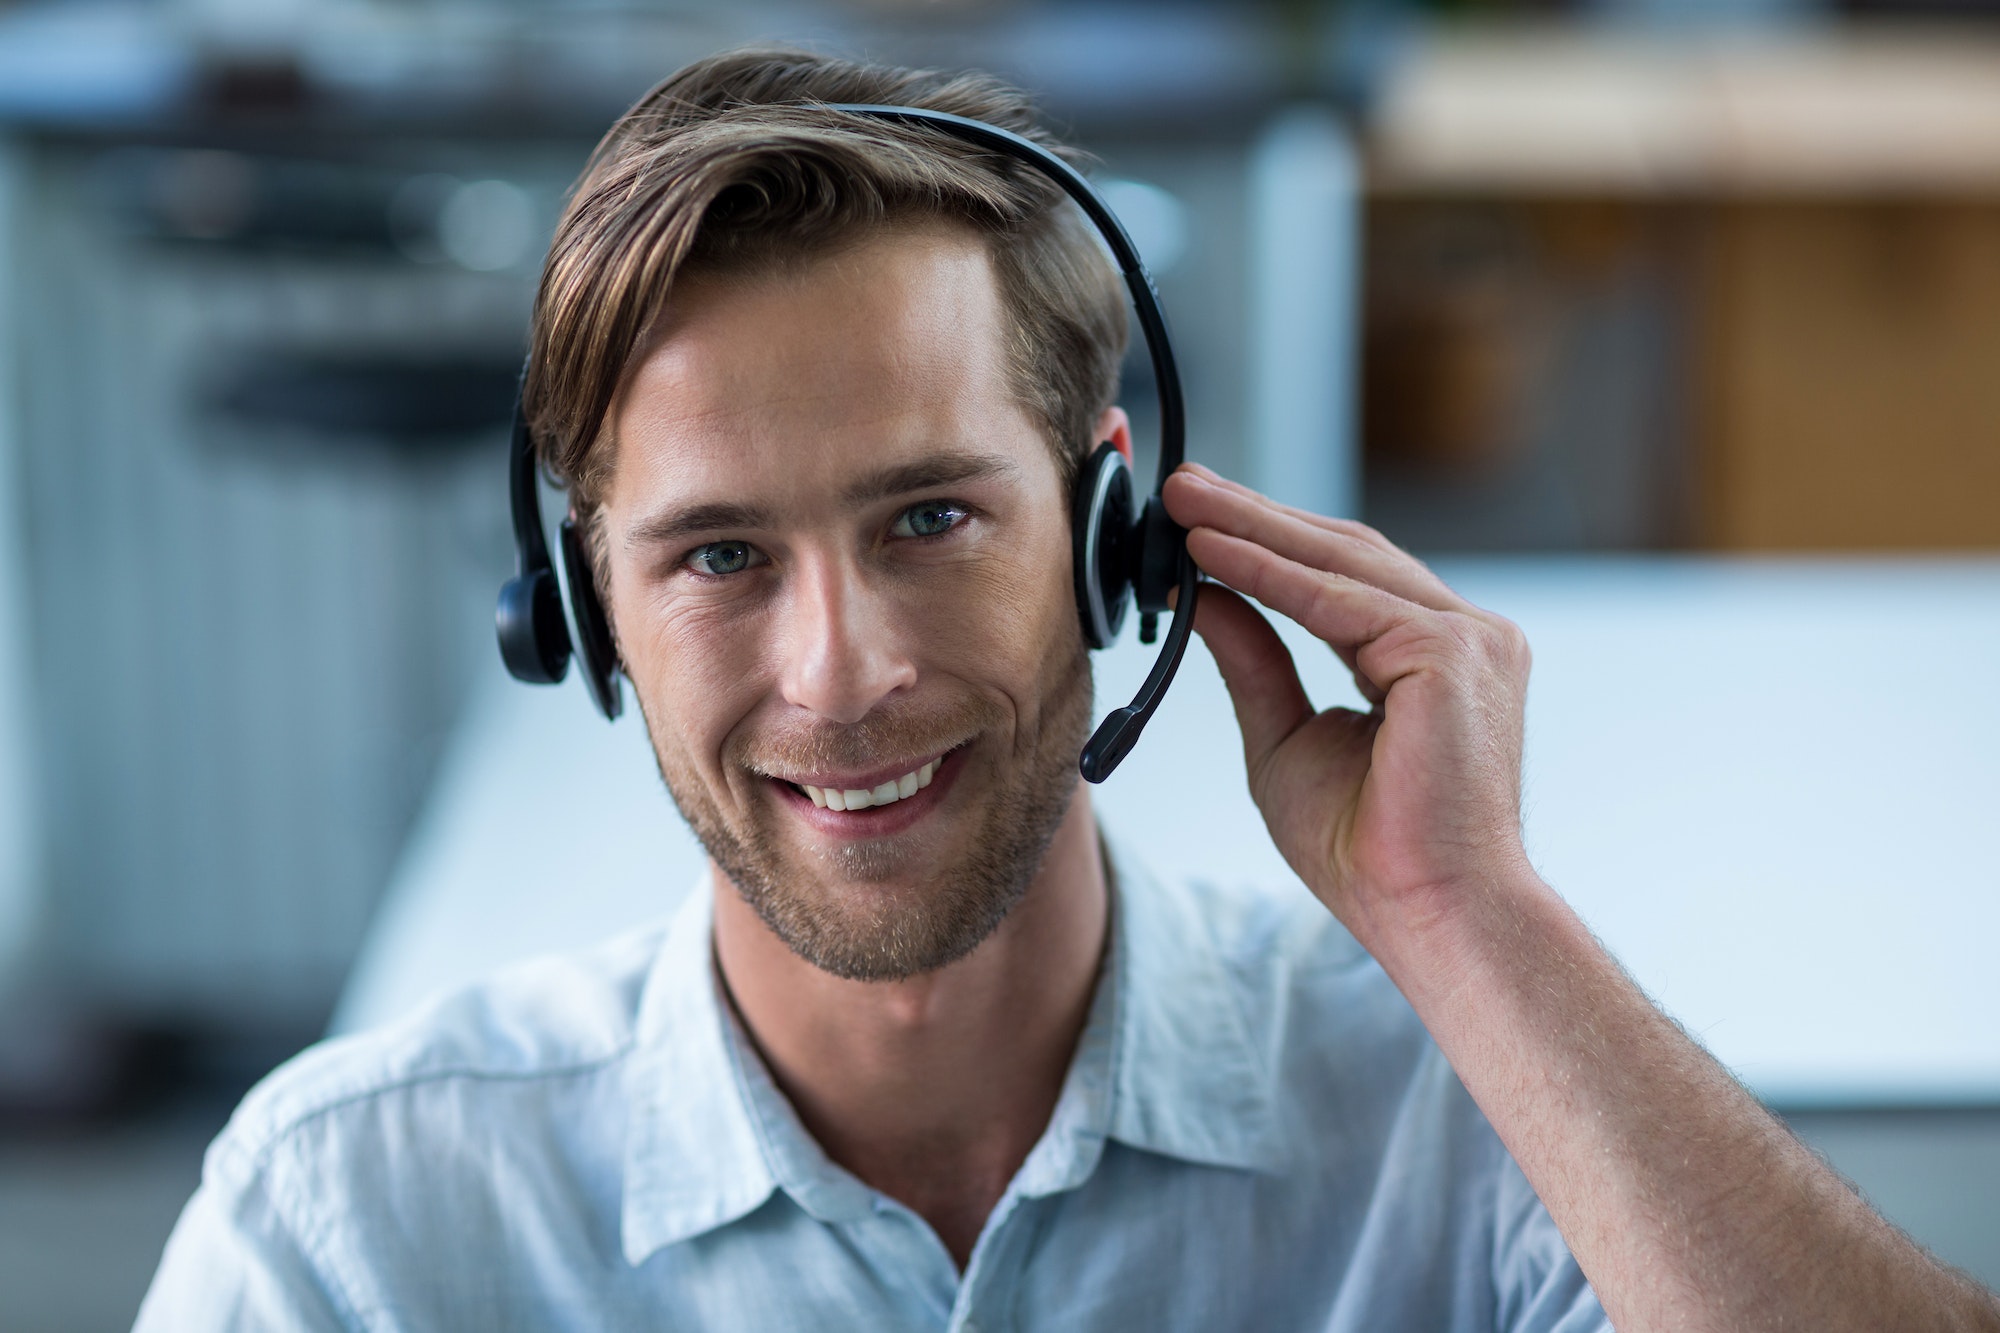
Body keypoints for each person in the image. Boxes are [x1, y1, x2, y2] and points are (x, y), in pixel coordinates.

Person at [138, 49, 1999, 1332]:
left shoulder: (1466, 1111)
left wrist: (1475, 920)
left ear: (1116, 525)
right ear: (577, 604)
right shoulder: (357, 1218)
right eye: (717, 555)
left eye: (932, 514)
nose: (842, 672)